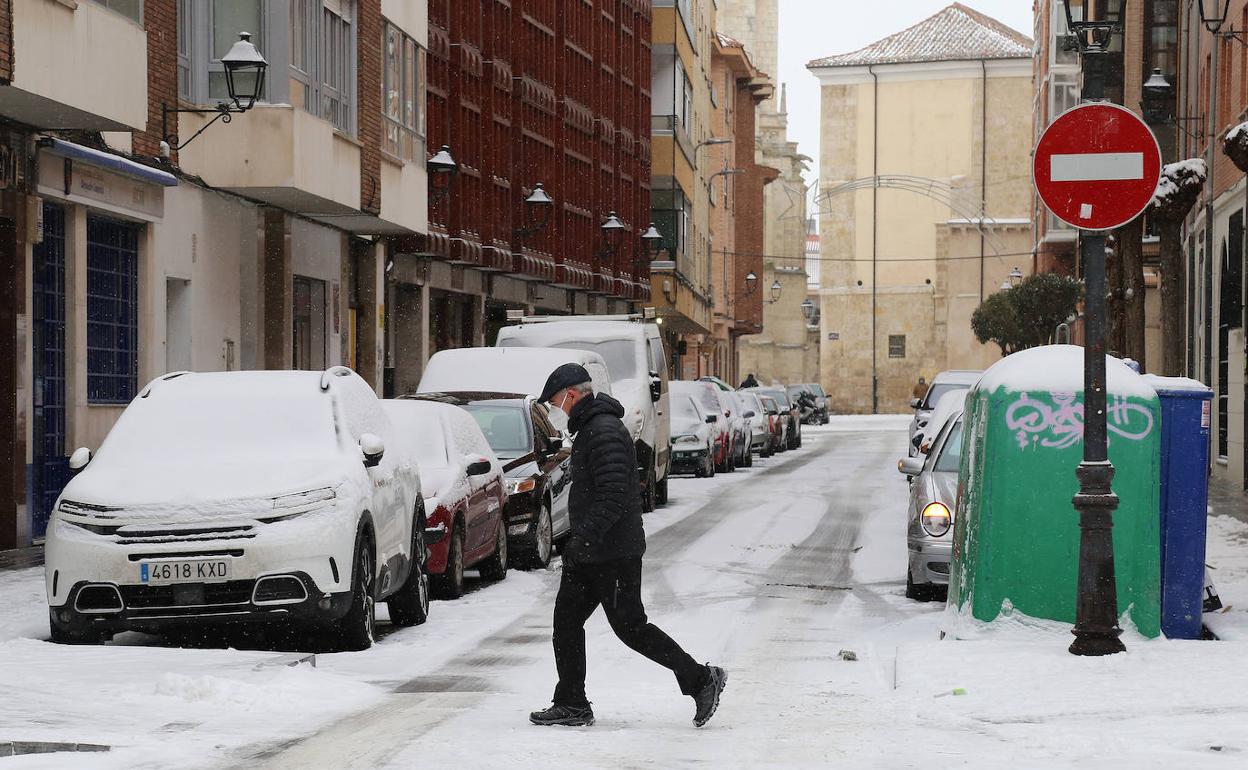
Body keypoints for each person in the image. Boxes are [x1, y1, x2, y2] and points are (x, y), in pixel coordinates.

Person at [529, 363, 727, 729]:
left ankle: (700, 679)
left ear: (572, 395)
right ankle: (571, 702)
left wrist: (583, 538)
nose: (557, 409)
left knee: (631, 628)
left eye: (556, 401)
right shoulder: (592, 430)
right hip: (592, 552)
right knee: (567, 623)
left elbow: (614, 494)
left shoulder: (602, 430)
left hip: (612, 553)